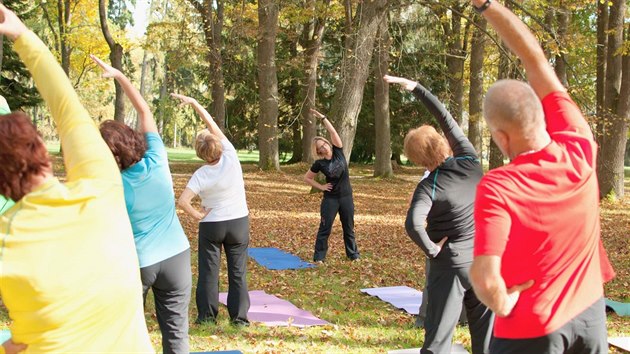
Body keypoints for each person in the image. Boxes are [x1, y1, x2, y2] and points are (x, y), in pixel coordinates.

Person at [0, 5, 153, 353]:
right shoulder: (102, 188)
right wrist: (23, 37)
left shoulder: (6, 241)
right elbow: (69, 112)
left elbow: (21, 343)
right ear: (41, 148)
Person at [468, 1, 615, 353]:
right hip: (591, 317)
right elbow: (534, 59)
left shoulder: (499, 186)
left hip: (530, 330)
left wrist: (503, 304)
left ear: (502, 138)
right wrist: (487, 5)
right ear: (542, 114)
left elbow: (486, 278)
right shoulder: (579, 144)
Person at [384, 74, 492, 354]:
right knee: (486, 338)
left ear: (417, 158)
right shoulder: (470, 160)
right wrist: (417, 88)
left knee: (438, 339)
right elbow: (445, 117)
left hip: (451, 265)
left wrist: (432, 249)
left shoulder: (428, 186)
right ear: (442, 143)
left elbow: (413, 224)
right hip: (483, 259)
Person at [92, 55, 192, 354]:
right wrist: (120, 76)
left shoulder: (114, 184)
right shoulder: (156, 158)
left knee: (124, 333)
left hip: (140, 262)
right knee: (177, 336)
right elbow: (144, 109)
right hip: (178, 257)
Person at [173, 93, 251, 326]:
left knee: (208, 272)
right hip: (238, 223)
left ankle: (207, 317)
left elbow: (183, 201)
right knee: (238, 272)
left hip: (212, 224)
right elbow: (211, 124)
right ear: (217, 145)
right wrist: (195, 103)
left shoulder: (201, 174)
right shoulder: (231, 155)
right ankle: (239, 319)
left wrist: (197, 214)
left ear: (200, 153)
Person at [303, 109, 360, 262]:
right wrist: (321, 187)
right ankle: (319, 257)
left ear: (327, 143)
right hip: (331, 200)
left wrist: (322, 117)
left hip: (346, 197)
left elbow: (333, 131)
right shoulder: (319, 163)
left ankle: (353, 255)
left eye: (324, 145)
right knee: (325, 228)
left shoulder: (338, 151)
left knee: (349, 227)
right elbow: (307, 178)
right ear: (318, 151)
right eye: (319, 148)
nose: (323, 148)